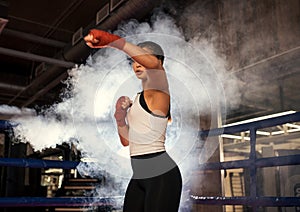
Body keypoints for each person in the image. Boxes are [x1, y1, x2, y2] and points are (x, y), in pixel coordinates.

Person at [84, 29, 182, 212]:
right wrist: (120, 119)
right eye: (134, 61)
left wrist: (112, 41)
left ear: (158, 62)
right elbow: (127, 141)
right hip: (139, 175)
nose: (137, 64)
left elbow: (153, 65)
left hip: (161, 174)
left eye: (142, 58)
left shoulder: (160, 92)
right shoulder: (136, 99)